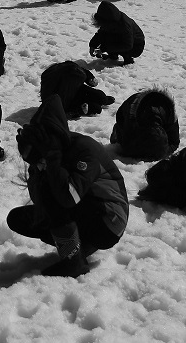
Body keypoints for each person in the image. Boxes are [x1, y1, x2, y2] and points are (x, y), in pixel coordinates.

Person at [7, 95, 129, 277]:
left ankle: (74, 262)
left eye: (38, 161)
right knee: (19, 218)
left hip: (109, 220)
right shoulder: (44, 158)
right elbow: (38, 198)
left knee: (54, 195)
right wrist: (40, 171)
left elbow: (68, 196)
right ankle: (79, 246)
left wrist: (53, 161)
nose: (37, 166)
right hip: (84, 207)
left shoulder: (85, 150)